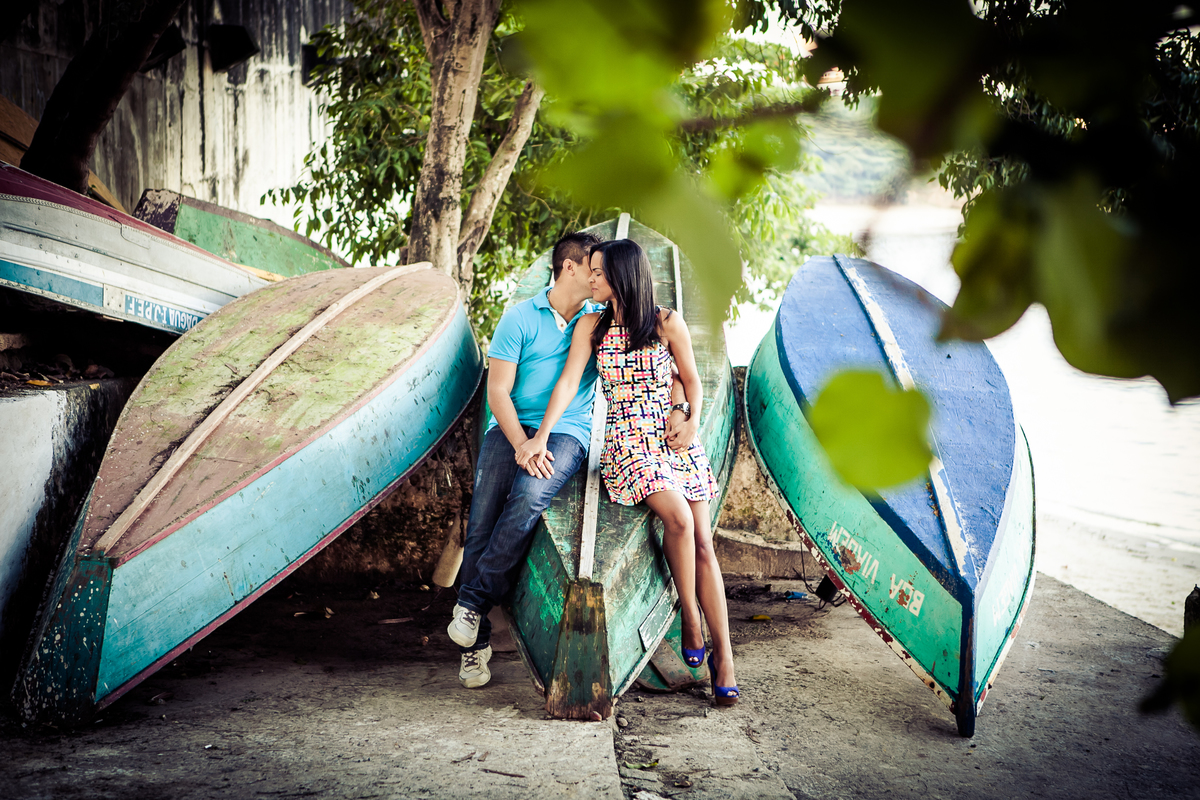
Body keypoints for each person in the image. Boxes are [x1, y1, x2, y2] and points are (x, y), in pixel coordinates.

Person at [519, 238, 739, 707]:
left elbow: (693, 380)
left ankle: (725, 658)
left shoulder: (665, 323)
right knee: (677, 518)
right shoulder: (592, 328)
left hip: (674, 438)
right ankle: (689, 617)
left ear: (621, 276)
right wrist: (539, 437)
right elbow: (564, 385)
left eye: (598, 272)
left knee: (703, 540)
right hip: (628, 443)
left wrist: (689, 415)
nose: (590, 279)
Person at [446, 231, 604, 689]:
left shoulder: (597, 320)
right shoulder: (519, 318)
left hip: (568, 430)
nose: (598, 278)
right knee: (482, 520)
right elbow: (498, 392)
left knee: (528, 496)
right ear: (569, 268)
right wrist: (521, 443)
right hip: (511, 428)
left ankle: (471, 603)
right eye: (592, 269)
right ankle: (474, 650)